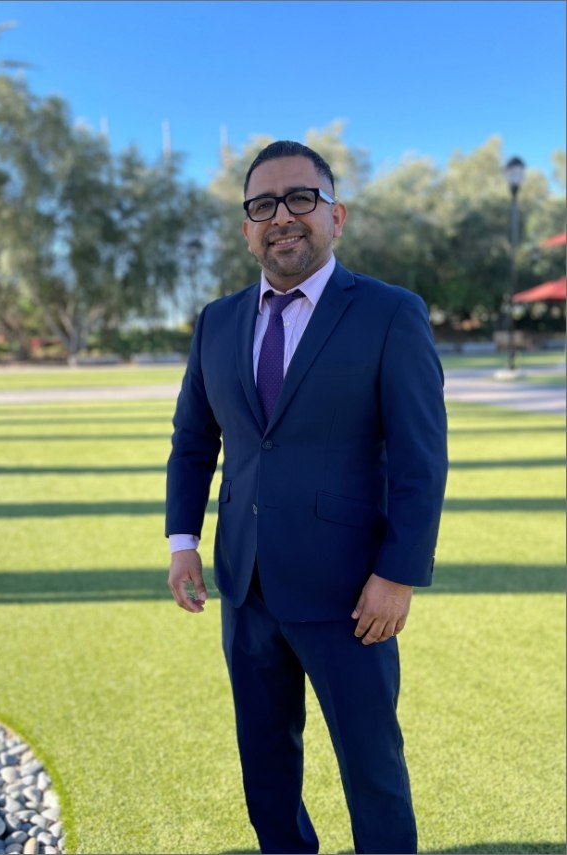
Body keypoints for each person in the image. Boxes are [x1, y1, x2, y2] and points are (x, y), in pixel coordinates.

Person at [165, 140, 447, 855]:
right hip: (246, 587)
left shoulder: (390, 314)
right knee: (265, 763)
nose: (281, 216)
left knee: (373, 770)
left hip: (352, 596)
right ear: (246, 227)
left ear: (336, 215)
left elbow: (421, 457)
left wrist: (398, 574)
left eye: (300, 199)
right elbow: (194, 442)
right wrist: (183, 541)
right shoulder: (216, 322)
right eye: (263, 204)